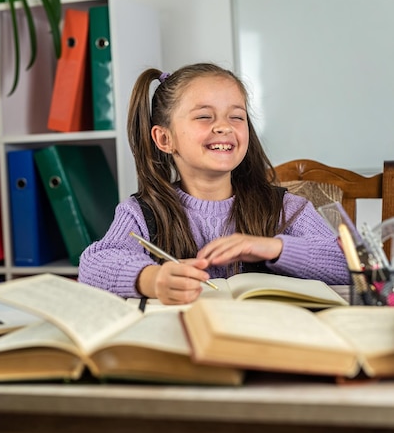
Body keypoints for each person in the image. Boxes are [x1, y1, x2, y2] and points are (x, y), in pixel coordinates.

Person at [78, 62, 351, 304]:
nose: (224, 127)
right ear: (164, 139)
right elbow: (92, 267)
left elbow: (353, 265)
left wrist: (274, 247)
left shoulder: (286, 208)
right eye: (204, 116)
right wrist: (152, 278)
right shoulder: (139, 212)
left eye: (236, 116)